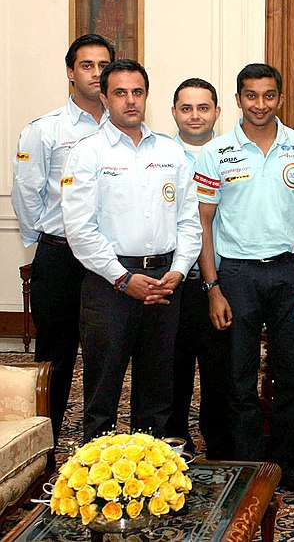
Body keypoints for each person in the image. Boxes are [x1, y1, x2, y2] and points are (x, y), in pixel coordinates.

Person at [193, 63, 294, 499]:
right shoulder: (215, 152)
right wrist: (212, 288)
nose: (260, 104)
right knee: (238, 376)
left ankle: (289, 462)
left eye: (269, 95)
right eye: (251, 96)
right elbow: (204, 225)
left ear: (280, 99)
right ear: (238, 100)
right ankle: (249, 466)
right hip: (236, 274)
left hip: (291, 273)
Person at [61, 59, 202, 442]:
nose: (130, 101)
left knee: (158, 391)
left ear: (146, 96)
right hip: (111, 283)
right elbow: (80, 229)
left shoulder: (171, 153)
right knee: (102, 392)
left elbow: (189, 220)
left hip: (164, 282)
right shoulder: (87, 153)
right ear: (105, 98)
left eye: (137, 92)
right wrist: (123, 279)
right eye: (120, 93)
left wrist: (181, 268)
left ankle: (153, 477)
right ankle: (97, 485)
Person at [11, 33, 115, 447]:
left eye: (103, 66)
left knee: (105, 356)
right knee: (55, 357)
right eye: (87, 66)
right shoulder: (45, 129)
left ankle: (100, 447)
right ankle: (45, 447)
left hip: (109, 261)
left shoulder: (124, 128)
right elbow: (26, 194)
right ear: (70, 72)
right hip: (60, 257)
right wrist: (51, 238)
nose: (95, 74)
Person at [165, 78, 231, 459]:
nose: (195, 116)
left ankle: (220, 446)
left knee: (219, 369)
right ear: (173, 112)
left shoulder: (230, 154)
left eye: (203, 108)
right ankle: (174, 444)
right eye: (186, 108)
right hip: (172, 280)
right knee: (172, 368)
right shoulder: (158, 153)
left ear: (217, 113)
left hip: (220, 280)